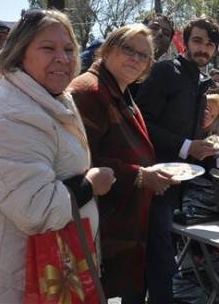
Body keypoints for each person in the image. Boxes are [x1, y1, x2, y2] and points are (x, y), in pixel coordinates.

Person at [0, 9, 114, 303]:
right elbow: (34, 211)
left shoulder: (50, 99)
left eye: (69, 49)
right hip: (15, 277)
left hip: (44, 265)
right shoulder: (12, 117)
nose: (62, 58)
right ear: (19, 54)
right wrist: (91, 183)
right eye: (48, 48)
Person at [68, 24, 180, 303]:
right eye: (128, 49)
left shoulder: (120, 89)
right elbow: (80, 161)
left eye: (144, 56)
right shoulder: (89, 91)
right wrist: (140, 176)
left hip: (127, 216)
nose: (136, 59)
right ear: (107, 50)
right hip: (101, 221)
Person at [135, 15, 219, 304]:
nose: (203, 49)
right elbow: (142, 125)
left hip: (179, 188)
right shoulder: (165, 71)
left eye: (210, 44)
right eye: (198, 41)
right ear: (185, 41)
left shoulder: (201, 83)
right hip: (154, 183)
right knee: (158, 264)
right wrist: (188, 145)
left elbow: (192, 145)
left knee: (158, 262)